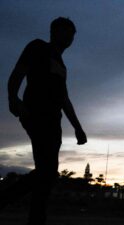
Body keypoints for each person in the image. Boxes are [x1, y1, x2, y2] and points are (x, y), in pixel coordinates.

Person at [4, 17, 87, 225]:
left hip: (54, 122)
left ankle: (36, 218)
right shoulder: (37, 46)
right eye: (65, 32)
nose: (69, 37)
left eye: (72, 34)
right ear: (54, 32)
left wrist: (78, 128)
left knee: (47, 174)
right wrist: (13, 99)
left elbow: (64, 99)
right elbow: (18, 72)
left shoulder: (62, 65)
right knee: (47, 171)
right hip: (35, 114)